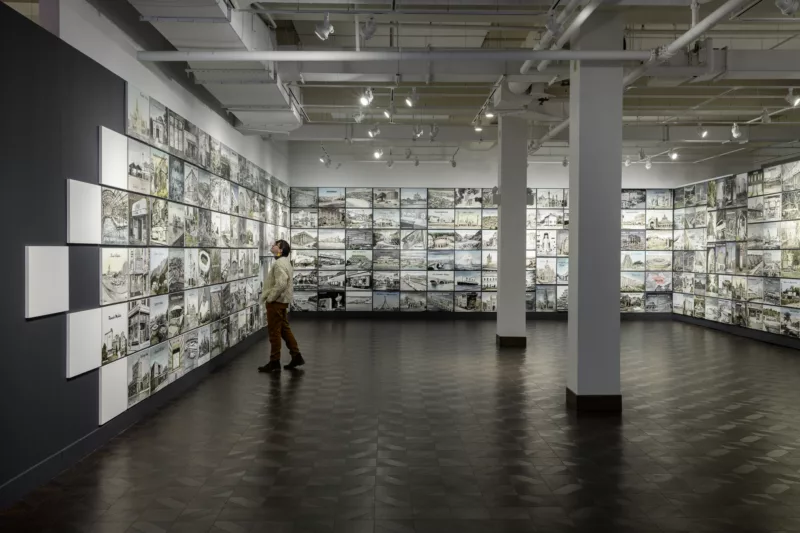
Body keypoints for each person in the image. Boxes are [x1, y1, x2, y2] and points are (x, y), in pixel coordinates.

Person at [258, 240, 304, 373]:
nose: (273, 246)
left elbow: (281, 283)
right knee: (284, 329)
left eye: (276, 245)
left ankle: (274, 362)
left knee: (274, 332)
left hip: (276, 302)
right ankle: (296, 356)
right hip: (283, 301)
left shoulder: (279, 264)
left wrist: (271, 298)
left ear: (281, 250)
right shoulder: (285, 262)